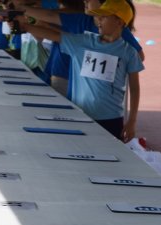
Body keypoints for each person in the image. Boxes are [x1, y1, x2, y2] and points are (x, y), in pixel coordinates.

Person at [20, 0, 144, 142]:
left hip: (111, 118)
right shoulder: (83, 41)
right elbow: (53, 35)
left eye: (104, 17)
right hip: (80, 114)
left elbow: (134, 88)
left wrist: (132, 121)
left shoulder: (129, 52)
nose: (98, 21)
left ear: (119, 22)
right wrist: (24, 26)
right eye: (99, 17)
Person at [12, 0, 144, 98]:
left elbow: (138, 56)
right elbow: (51, 20)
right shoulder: (81, 19)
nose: (85, 1)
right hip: (64, 76)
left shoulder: (118, 30)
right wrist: (22, 14)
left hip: (93, 88)